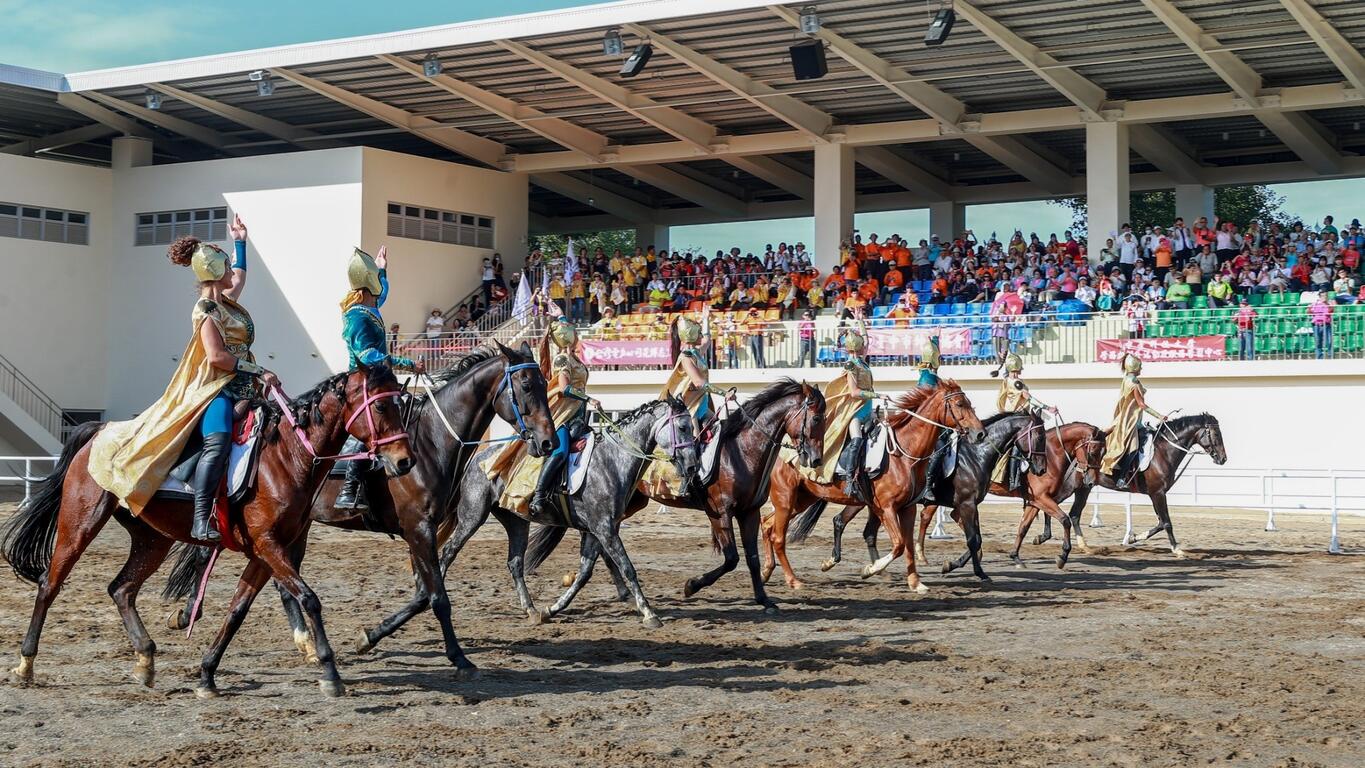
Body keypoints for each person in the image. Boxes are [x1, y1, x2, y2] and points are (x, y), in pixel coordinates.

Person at [88, 215, 280, 542]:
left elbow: (242, 276)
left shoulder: (227, 302)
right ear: (216, 273)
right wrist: (259, 369)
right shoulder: (205, 310)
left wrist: (241, 242)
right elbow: (217, 358)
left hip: (246, 389)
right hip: (215, 391)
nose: (233, 269)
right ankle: (200, 519)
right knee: (217, 445)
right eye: (228, 265)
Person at [335, 246, 422, 510]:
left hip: (379, 380)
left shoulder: (371, 308)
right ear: (366, 288)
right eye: (376, 284)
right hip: (361, 381)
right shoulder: (355, 317)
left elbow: (383, 294)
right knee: (369, 426)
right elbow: (368, 355)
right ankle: (349, 488)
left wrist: (382, 268)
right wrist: (406, 363)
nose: (380, 293)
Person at [533, 317, 598, 517]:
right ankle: (539, 495)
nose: (577, 335)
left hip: (578, 415)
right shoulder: (562, 359)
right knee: (560, 452)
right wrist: (589, 398)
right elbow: (564, 388)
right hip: (561, 416)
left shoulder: (575, 359)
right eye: (574, 332)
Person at [1099, 354, 1166, 489]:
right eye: (1140, 366)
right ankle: (1121, 478)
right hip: (1130, 421)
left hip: (1130, 419)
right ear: (1135, 367)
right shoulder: (1134, 383)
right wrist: (1159, 416)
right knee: (1134, 449)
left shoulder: (1127, 379)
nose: (1141, 368)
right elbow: (1141, 405)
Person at [992, 353, 1057, 489]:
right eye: (1013, 371)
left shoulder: (1006, 380)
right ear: (1010, 371)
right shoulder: (1017, 382)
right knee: (1018, 447)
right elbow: (1028, 398)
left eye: (1017, 371)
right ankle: (1013, 479)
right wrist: (1047, 408)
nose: (1016, 374)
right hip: (1016, 419)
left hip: (1012, 418)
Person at [659, 308, 722, 428]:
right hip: (690, 408)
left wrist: (705, 319)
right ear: (691, 335)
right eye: (699, 333)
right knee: (694, 443)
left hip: (701, 402)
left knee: (720, 430)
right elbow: (699, 383)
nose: (701, 335)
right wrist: (724, 393)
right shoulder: (686, 358)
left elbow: (707, 340)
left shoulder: (696, 353)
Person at [837, 327, 878, 503]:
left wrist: (861, 321)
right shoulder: (851, 366)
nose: (865, 348)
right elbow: (854, 392)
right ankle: (849, 480)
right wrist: (876, 395)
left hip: (869, 410)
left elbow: (868, 340)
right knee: (857, 439)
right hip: (856, 412)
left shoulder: (862, 362)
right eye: (862, 346)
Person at [1309, 290, 1334, 359]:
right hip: (1316, 325)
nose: (1325, 297)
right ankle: (1319, 357)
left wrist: (1327, 304)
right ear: (1320, 297)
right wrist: (1310, 307)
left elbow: (1331, 310)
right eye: (1323, 296)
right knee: (1318, 341)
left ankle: (1330, 356)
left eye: (1326, 296)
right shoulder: (1315, 304)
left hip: (1326, 324)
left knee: (1329, 341)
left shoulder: (1329, 303)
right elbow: (1309, 311)